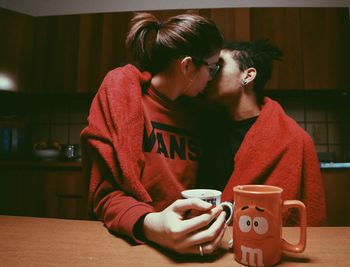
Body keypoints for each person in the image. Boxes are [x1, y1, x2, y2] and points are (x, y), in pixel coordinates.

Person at [81, 12, 227, 256]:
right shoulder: (124, 102)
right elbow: (105, 196)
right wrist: (154, 225)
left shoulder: (199, 115)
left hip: (191, 244)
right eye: (212, 68)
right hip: (132, 244)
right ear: (188, 66)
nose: (212, 78)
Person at [198, 40, 327, 226]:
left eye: (217, 66)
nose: (208, 74)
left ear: (248, 76)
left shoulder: (292, 138)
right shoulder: (206, 128)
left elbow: (308, 213)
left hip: (262, 242)